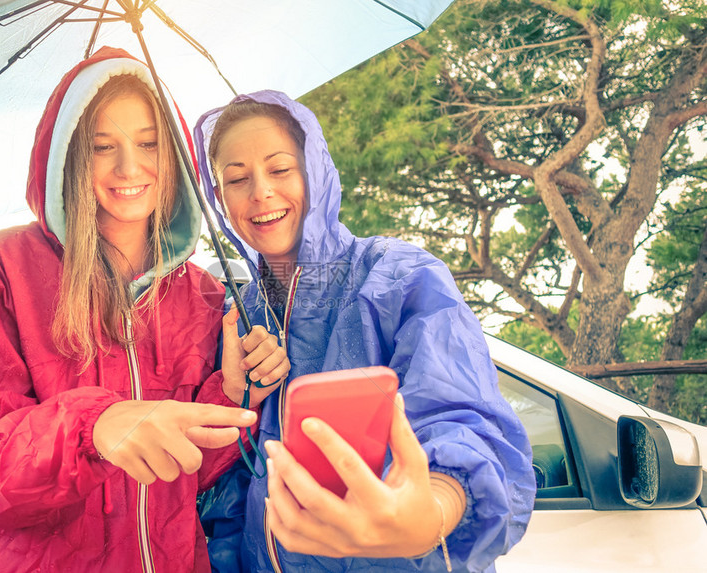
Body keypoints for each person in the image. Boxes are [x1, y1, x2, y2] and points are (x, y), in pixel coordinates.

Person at [0, 48, 289, 573]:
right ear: (71, 157)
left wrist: (234, 394)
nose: (129, 167)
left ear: (173, 156)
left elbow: (186, 475)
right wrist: (93, 427)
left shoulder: (204, 293)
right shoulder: (2, 267)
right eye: (103, 147)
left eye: (148, 143)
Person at [193, 91, 536, 572]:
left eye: (279, 169)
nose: (260, 193)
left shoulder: (399, 277)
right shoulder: (237, 317)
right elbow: (227, 498)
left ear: (314, 170)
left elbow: (460, 416)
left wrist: (431, 510)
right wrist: (234, 397)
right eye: (236, 178)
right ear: (218, 197)